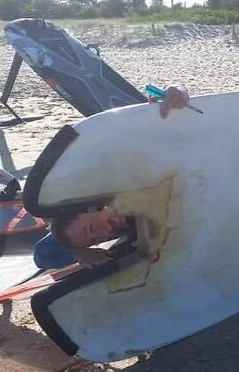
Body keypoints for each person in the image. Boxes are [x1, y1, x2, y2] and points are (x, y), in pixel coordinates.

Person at [33, 86, 191, 270]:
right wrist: (77, 253)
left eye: (92, 228)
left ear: (87, 206)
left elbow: (153, 128)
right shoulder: (78, 232)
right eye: (94, 240)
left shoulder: (119, 186)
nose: (103, 233)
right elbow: (41, 255)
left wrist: (178, 94)